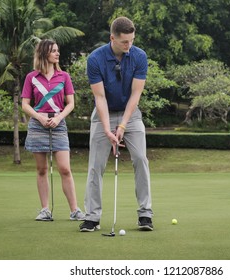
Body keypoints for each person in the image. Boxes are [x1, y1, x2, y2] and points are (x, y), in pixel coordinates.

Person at [80, 16, 154, 232]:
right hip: (103, 112)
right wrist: (107, 129)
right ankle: (92, 217)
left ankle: (145, 214)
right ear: (112, 38)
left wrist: (121, 126)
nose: (129, 45)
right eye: (124, 42)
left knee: (141, 159)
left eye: (131, 40)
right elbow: (100, 98)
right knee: (96, 164)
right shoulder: (95, 59)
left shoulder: (139, 56)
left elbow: (135, 95)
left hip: (131, 114)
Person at [21, 39, 85, 221]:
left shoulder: (64, 76)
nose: (57, 54)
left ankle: (75, 211)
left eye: (58, 51)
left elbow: (71, 103)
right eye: (54, 51)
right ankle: (45, 210)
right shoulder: (31, 77)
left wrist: (57, 118)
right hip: (37, 124)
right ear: (44, 54)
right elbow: (25, 105)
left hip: (59, 124)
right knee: (41, 169)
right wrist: (40, 117)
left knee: (65, 169)